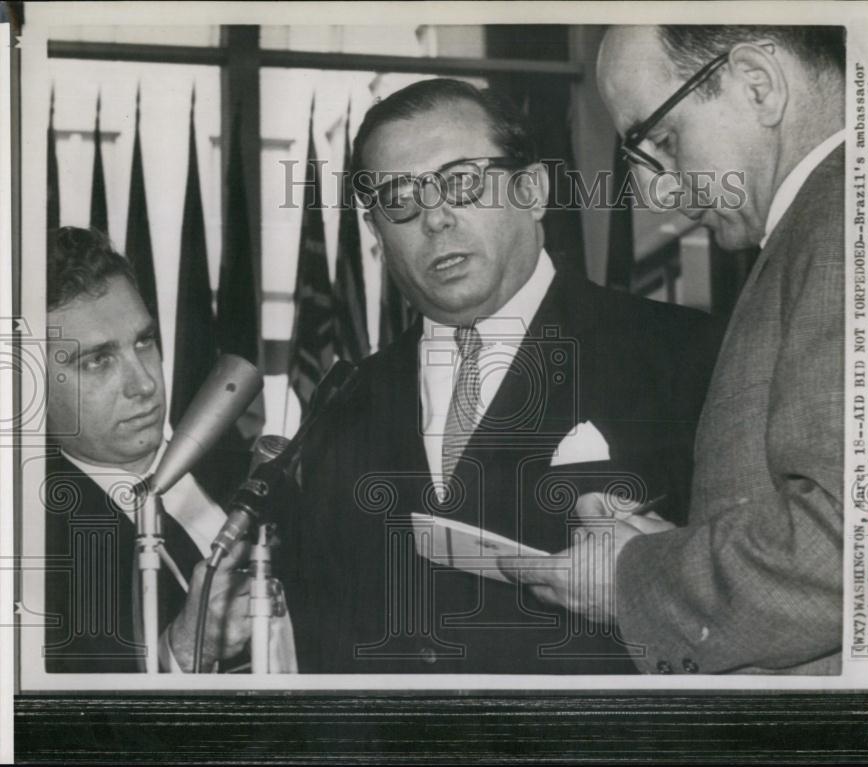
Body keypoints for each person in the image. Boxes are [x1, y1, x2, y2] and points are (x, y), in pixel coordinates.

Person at [291, 78, 722, 674]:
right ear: (376, 233)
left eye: (462, 181)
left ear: (534, 189)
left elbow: (752, 593)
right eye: (399, 197)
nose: (435, 218)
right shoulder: (343, 404)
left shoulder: (683, 354)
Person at [505, 25, 846, 675]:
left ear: (758, 84)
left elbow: (852, 548)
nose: (659, 194)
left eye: (661, 140)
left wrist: (634, 578)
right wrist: (676, 548)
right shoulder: (818, 222)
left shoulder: (842, 222)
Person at [43, 226, 288, 673]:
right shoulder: (36, 548)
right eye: (98, 360)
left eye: (144, 341)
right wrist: (181, 649)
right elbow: (67, 729)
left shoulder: (239, 464)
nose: (145, 384)